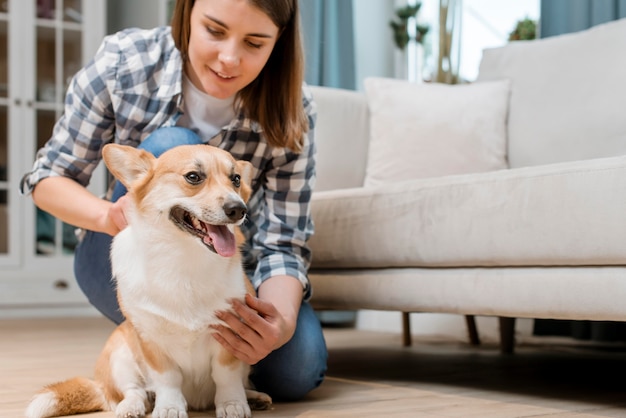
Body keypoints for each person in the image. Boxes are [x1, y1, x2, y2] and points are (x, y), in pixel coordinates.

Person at [19, 0, 327, 402]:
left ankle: (185, 355)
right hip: (124, 250)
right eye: (214, 31)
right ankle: (156, 352)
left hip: (218, 273)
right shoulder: (124, 62)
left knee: (297, 368)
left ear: (279, 42)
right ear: (185, 15)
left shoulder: (294, 108)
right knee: (173, 144)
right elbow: (47, 179)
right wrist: (108, 216)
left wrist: (280, 324)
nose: (229, 59)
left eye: (254, 42)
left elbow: (284, 241)